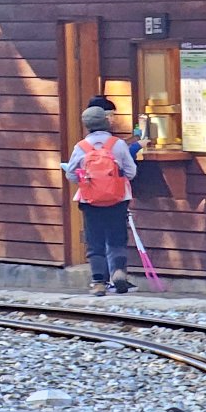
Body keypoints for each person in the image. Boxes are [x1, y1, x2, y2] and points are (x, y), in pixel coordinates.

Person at [64, 105, 137, 296]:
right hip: (118, 199)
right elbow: (131, 172)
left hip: (90, 201)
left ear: (86, 126)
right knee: (117, 238)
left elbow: (71, 174)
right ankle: (119, 272)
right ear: (106, 122)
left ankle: (98, 282)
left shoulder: (81, 147)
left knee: (94, 241)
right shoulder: (118, 144)